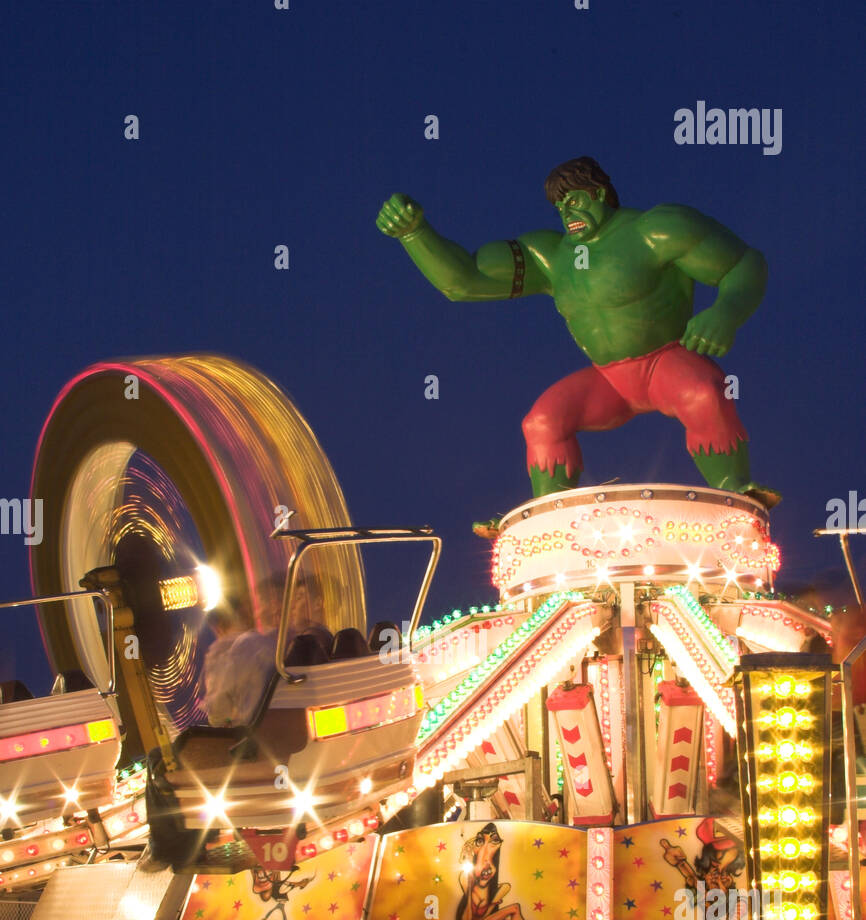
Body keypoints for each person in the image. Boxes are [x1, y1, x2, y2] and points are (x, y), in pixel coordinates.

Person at [377, 156, 777, 507]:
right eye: (559, 205)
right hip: (610, 379)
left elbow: (744, 264)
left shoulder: (657, 228)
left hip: (664, 362)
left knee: (704, 391)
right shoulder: (551, 256)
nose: (568, 212)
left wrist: (726, 313)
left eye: (575, 199)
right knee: (542, 421)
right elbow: (463, 283)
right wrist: (415, 234)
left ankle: (736, 492)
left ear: (600, 192)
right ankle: (547, 516)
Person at [202, 570, 326, 727]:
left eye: (258, 604)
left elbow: (219, 711)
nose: (256, 614)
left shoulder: (247, 646)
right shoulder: (311, 643)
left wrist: (225, 724)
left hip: (261, 740)